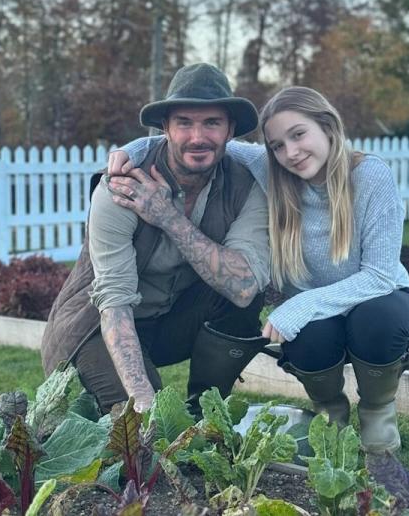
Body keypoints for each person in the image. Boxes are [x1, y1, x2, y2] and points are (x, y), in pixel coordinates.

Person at [108, 86, 409, 454]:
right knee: (310, 338)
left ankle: (377, 413)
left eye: (299, 134)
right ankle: (330, 416)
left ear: (327, 126)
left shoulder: (369, 175)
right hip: (320, 315)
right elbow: (189, 144)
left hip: (378, 299)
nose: (291, 152)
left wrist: (299, 306)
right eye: (277, 145)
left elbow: (380, 276)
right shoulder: (271, 170)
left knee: (378, 319)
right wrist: (127, 151)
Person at [40, 63, 272, 417]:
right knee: (148, 424)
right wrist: (143, 400)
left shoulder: (245, 185)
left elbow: (244, 286)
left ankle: (207, 412)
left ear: (230, 131)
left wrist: (168, 218)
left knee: (244, 296)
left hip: (168, 323)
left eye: (212, 122)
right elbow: (114, 303)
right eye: (184, 123)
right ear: (165, 128)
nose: (198, 136)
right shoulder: (121, 185)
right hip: (95, 327)